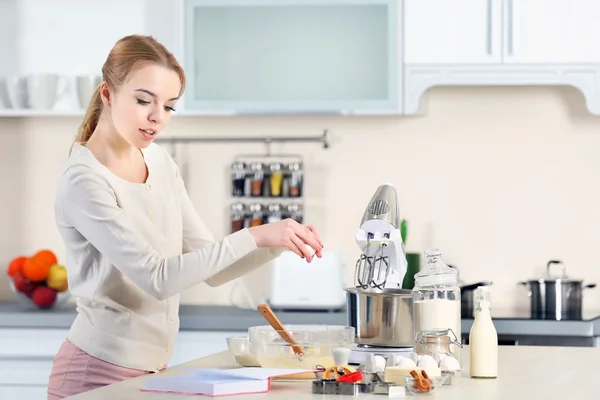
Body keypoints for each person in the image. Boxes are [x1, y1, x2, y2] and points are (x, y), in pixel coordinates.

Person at [47, 34, 324, 399]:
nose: (157, 117)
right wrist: (256, 235)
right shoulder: (84, 180)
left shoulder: (159, 161)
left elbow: (214, 270)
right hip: (94, 374)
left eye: (169, 106)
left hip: (151, 373)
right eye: (144, 100)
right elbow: (156, 278)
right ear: (108, 94)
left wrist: (279, 241)